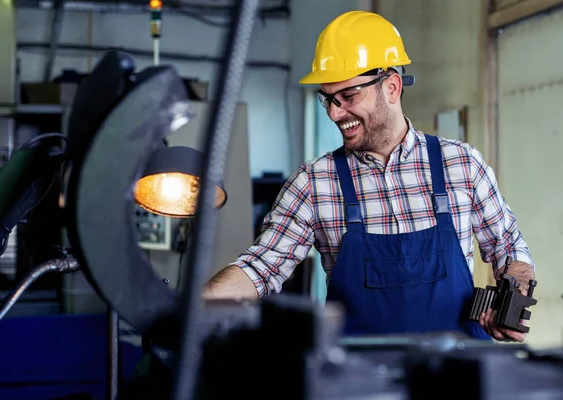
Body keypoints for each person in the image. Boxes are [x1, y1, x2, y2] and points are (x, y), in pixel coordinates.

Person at [203, 10, 535, 342]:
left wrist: (512, 303)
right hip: (360, 381)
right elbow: (260, 269)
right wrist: (190, 309)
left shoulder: (461, 163)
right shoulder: (314, 183)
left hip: (457, 373)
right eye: (328, 99)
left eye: (348, 96)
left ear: (391, 87)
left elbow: (509, 248)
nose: (335, 113)